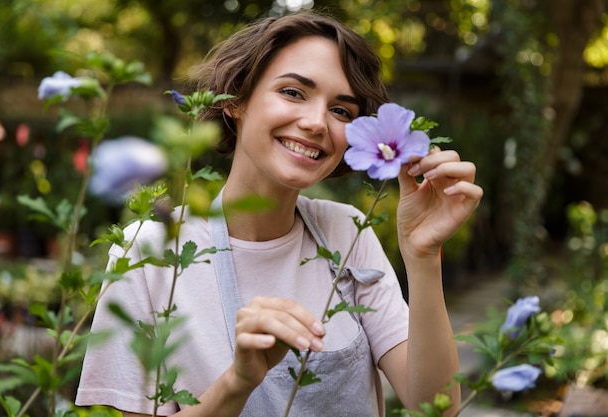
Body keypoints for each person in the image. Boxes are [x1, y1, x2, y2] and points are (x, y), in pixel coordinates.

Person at [76, 11, 483, 417]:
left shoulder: (347, 233)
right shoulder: (148, 252)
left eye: (341, 111)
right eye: (293, 92)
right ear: (235, 100)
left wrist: (423, 255)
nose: (315, 122)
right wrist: (237, 382)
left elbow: (436, 409)